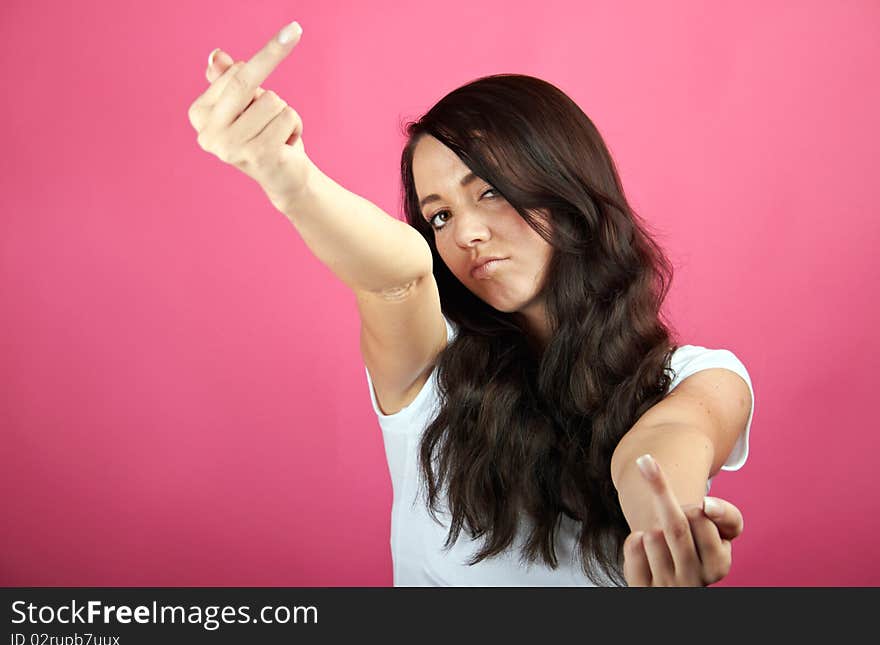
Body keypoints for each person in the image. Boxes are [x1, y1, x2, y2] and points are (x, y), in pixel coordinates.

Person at [188, 21, 754, 587]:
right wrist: (289, 179)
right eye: (440, 215)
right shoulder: (429, 372)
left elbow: (660, 445)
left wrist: (669, 522)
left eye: (489, 191)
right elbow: (398, 277)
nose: (466, 235)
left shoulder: (700, 377)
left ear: (564, 184)